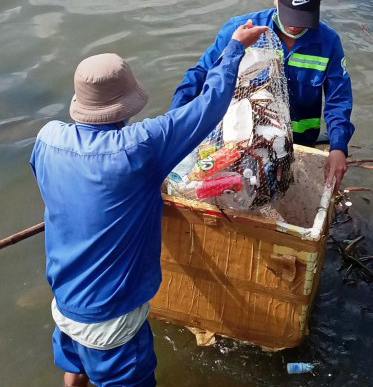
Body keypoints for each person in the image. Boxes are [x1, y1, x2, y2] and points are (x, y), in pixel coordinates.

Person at [30, 22, 268, 387]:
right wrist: (235, 47)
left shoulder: (48, 139)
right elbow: (209, 105)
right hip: (112, 323)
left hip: (65, 303)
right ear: (125, 105)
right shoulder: (139, 147)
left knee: (75, 369)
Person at [170, 0, 355, 190]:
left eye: (302, 19)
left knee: (283, 187)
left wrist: (338, 147)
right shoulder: (239, 31)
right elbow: (199, 74)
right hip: (241, 137)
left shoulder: (328, 42)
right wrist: (174, 122)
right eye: (290, 17)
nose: (294, 25)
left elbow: (338, 100)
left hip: (298, 140)